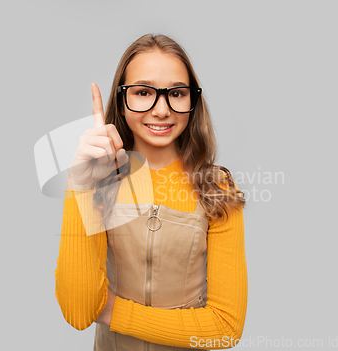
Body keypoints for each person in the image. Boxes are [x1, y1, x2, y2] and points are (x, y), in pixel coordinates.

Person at [55, 33, 248, 350]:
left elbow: (224, 329)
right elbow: (78, 312)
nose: (161, 110)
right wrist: (81, 182)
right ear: (121, 99)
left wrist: (113, 310)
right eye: (143, 92)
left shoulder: (217, 189)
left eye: (176, 93)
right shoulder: (99, 183)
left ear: (192, 101)